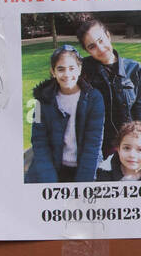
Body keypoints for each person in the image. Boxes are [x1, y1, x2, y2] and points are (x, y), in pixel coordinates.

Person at [75, 16, 141, 179]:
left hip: (133, 142)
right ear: (87, 51)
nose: (100, 49)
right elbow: (61, 73)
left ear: (108, 35)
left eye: (101, 40)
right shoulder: (84, 71)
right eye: (92, 46)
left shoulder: (134, 68)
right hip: (102, 145)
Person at [27, 45, 104, 183]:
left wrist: (82, 185)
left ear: (79, 69)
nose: (67, 74)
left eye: (72, 68)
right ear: (53, 72)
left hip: (86, 169)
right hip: (54, 168)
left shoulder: (95, 98)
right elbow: (39, 142)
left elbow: (93, 144)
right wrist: (50, 181)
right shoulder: (40, 100)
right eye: (60, 69)